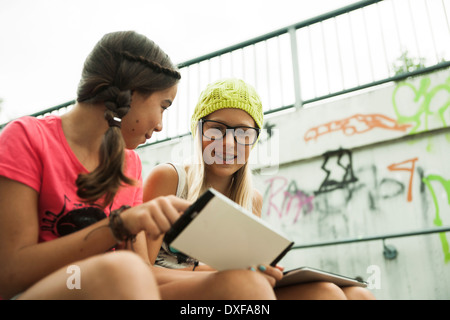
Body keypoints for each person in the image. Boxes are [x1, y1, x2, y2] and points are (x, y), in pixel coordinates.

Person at [0, 32, 275, 300]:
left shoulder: (130, 163)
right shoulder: (26, 137)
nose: (159, 125)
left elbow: (143, 271)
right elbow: (8, 275)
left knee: (248, 287)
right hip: (55, 288)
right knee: (122, 270)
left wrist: (233, 275)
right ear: (130, 94)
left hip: (119, 284)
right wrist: (119, 226)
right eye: (163, 106)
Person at [144, 78, 376, 300]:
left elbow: (242, 272)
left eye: (243, 133)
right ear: (198, 131)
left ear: (254, 141)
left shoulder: (251, 199)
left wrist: (258, 272)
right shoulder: (170, 177)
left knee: (348, 295)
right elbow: (142, 270)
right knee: (247, 284)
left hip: (236, 286)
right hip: (174, 291)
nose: (228, 143)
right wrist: (221, 275)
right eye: (216, 129)